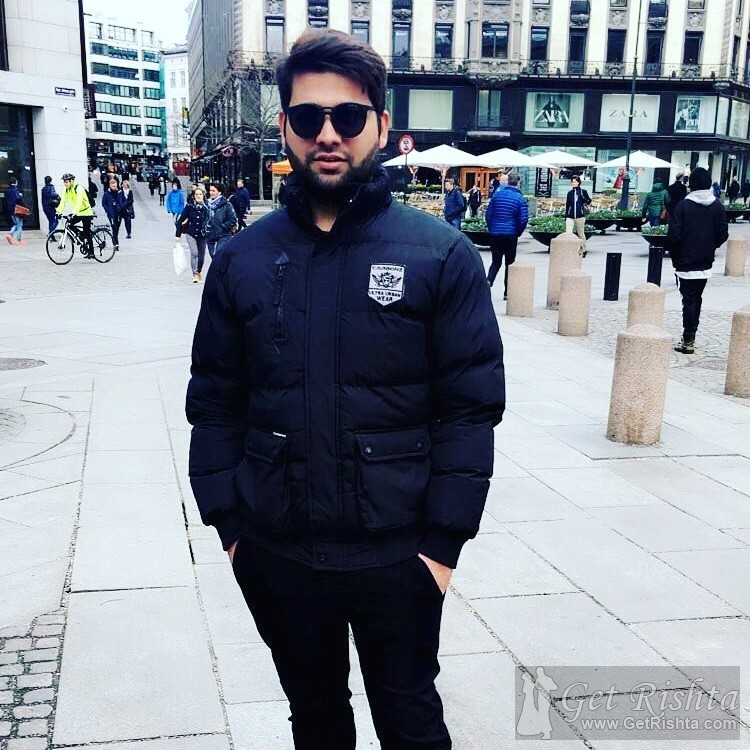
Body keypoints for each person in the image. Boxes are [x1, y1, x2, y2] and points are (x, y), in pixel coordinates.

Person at [185, 28, 504, 750]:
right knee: (316, 715)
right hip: (278, 549)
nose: (328, 134)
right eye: (308, 118)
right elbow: (215, 401)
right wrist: (232, 532)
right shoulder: (242, 259)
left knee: (410, 717)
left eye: (349, 117)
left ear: (381, 128)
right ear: (285, 128)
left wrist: (441, 549)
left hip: (399, 553)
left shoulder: (440, 255)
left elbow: (470, 409)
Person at [667, 166, 728, 354]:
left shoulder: (683, 206)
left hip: (685, 262)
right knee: (696, 298)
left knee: (688, 300)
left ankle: (688, 339)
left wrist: (676, 255)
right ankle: (691, 335)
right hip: (705, 261)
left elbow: (674, 235)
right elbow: (723, 234)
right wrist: (709, 246)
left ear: (691, 184)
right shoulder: (717, 206)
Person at [484, 172, 528, 299]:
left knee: (495, 262)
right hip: (511, 233)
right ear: (518, 183)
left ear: (507, 181)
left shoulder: (497, 195)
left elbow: (488, 215)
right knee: (510, 263)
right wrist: (518, 232)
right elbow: (523, 219)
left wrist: (492, 228)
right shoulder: (520, 198)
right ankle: (507, 292)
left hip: (496, 233)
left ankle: (488, 282)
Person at [176, 184, 209, 283]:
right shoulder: (189, 206)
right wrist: (177, 235)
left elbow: (212, 220)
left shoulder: (207, 207)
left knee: (201, 256)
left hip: (203, 235)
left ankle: (199, 271)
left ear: (203, 195)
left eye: (200, 194)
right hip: (191, 233)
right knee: (194, 253)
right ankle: (195, 273)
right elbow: (180, 220)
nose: (198, 196)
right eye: (196, 194)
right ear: (194, 196)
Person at [57, 173, 94, 258]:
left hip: (86, 212)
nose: (65, 184)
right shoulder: (66, 190)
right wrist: (58, 212)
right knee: (69, 224)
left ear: (72, 181)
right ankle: (80, 235)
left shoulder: (79, 188)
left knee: (87, 233)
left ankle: (91, 252)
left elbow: (79, 202)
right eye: (64, 182)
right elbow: (62, 202)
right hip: (78, 213)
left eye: (66, 182)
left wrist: (73, 213)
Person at [205, 182, 237, 258]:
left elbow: (233, 219)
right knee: (213, 257)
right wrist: (205, 227)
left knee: (218, 256)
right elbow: (204, 217)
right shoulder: (207, 204)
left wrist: (223, 226)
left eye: (213, 191)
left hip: (223, 235)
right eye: (210, 190)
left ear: (219, 192)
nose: (211, 193)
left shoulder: (227, 204)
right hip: (210, 235)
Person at [564, 175, 591, 257]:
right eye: (572, 182)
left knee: (580, 233)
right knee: (568, 233)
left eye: (575, 182)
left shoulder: (583, 191)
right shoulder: (570, 193)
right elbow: (568, 205)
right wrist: (566, 215)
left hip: (580, 215)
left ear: (579, 182)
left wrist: (583, 198)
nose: (573, 183)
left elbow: (589, 201)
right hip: (570, 216)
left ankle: (583, 249)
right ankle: (569, 250)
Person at [101, 175, 127, 249]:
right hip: (111, 214)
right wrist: (108, 211)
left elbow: (125, 201)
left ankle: (115, 240)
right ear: (110, 186)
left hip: (119, 213)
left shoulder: (120, 192)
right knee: (114, 227)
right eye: (113, 186)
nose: (114, 187)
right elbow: (104, 204)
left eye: (115, 186)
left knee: (117, 228)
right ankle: (115, 243)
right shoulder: (106, 194)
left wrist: (121, 206)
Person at [3, 177, 25, 245]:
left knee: (16, 224)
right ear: (15, 182)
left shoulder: (6, 191)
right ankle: (18, 240)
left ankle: (10, 235)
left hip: (10, 210)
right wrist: (20, 196)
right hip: (17, 209)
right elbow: (18, 199)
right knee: (19, 225)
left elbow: (5, 200)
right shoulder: (16, 190)